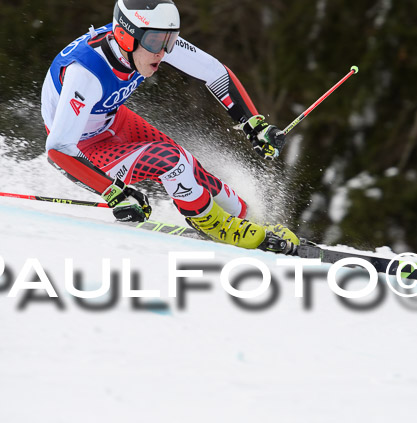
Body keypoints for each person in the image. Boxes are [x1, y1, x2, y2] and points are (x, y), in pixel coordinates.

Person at [41, 0, 298, 252]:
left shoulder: (148, 40)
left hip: (112, 119)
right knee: (173, 162)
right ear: (125, 36)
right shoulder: (85, 73)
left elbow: (215, 72)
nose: (163, 53)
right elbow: (59, 149)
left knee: (190, 165)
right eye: (156, 43)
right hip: (82, 148)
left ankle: (249, 222)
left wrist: (253, 124)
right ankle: (213, 224)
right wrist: (115, 194)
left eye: (170, 40)